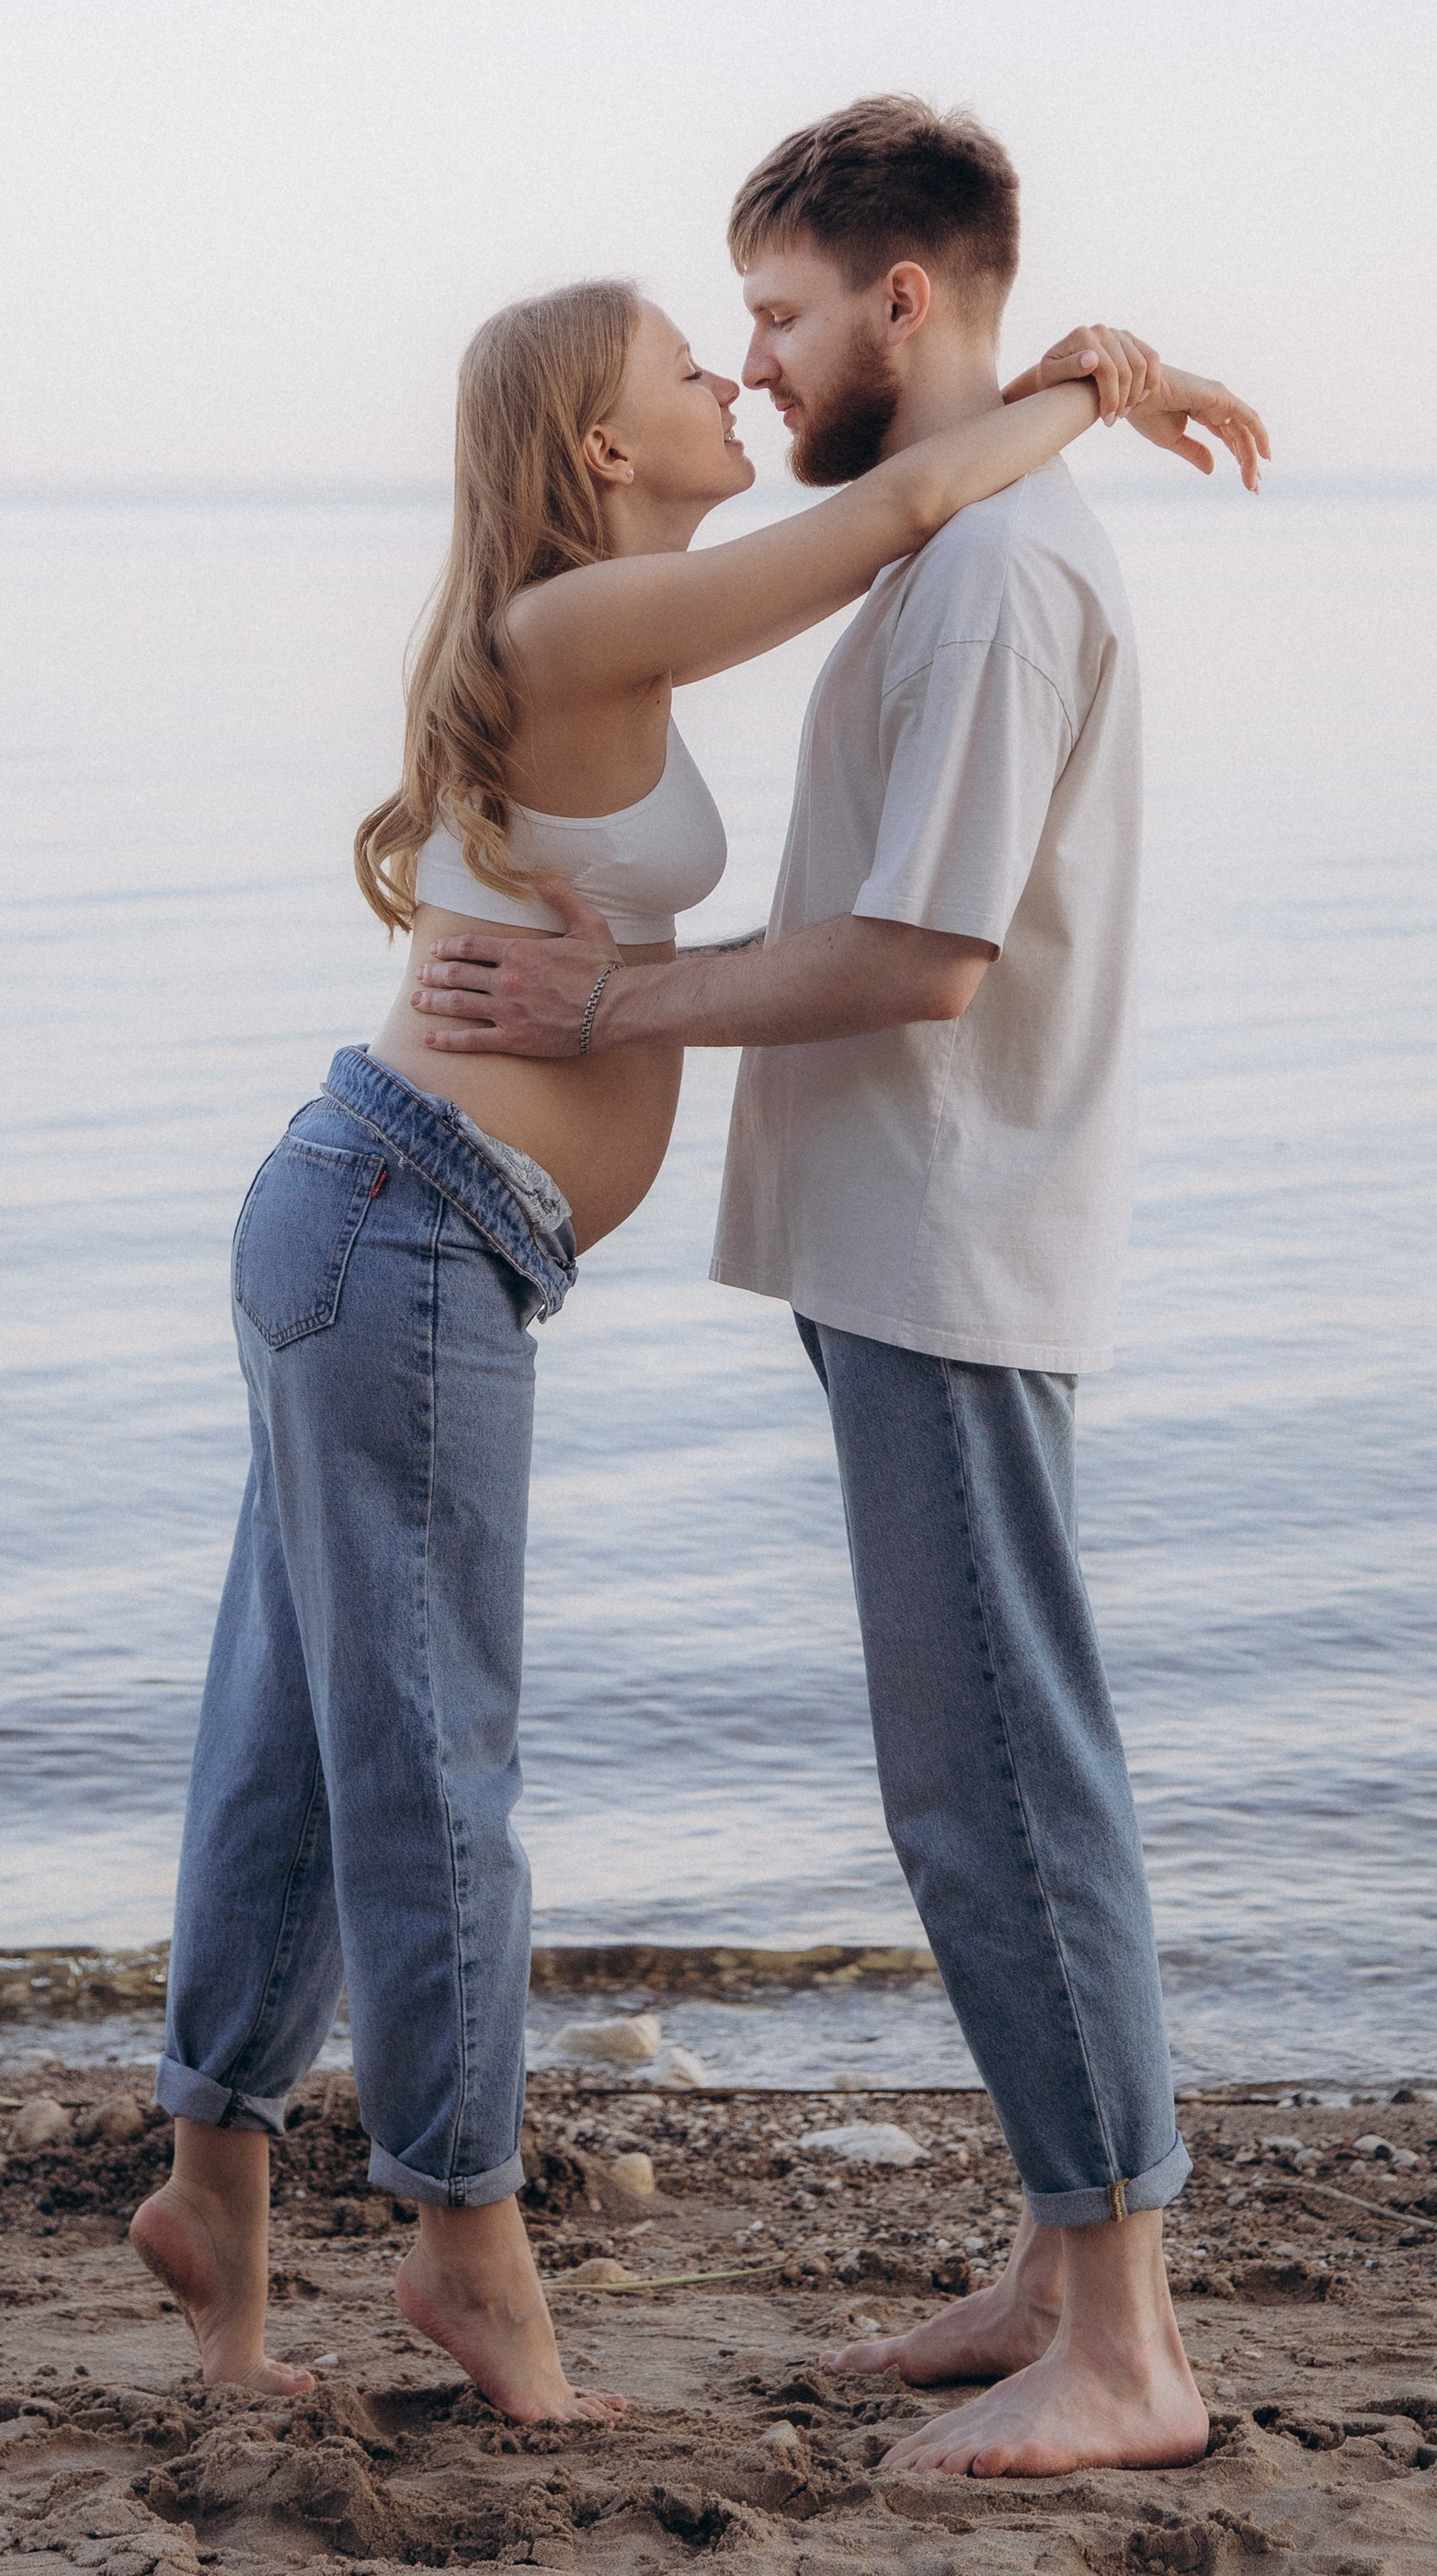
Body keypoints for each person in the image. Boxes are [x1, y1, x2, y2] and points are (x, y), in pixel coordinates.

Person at [131, 249, 1261, 2430]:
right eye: (688, 363)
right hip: (405, 1227)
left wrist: (1037, 393)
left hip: (391, 1223)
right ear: (598, 448)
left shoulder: (611, 626)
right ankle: (470, 2250)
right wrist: (1088, 393)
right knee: (430, 1764)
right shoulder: (572, 623)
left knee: (293, 1732)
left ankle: (212, 2186)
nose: (731, 381)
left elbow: (891, 533)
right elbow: (891, 522)